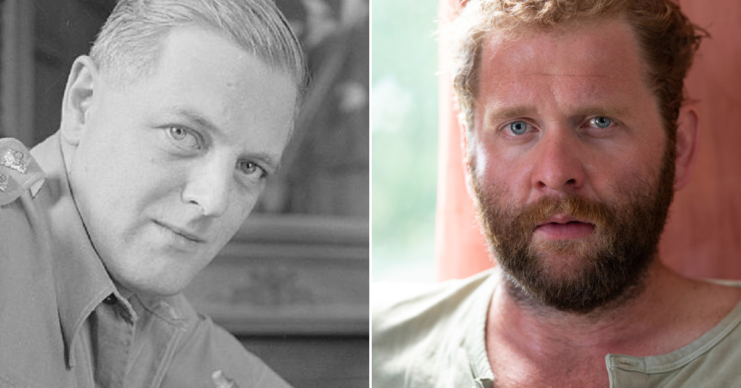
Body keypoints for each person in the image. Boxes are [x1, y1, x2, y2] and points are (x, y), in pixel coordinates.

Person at [372, 0, 741, 387]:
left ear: (679, 146)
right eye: (518, 127)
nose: (556, 173)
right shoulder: (382, 354)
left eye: (600, 122)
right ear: (468, 153)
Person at [0, 0, 306, 387]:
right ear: (83, 102)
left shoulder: (176, 332)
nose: (213, 201)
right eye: (183, 135)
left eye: (249, 168)